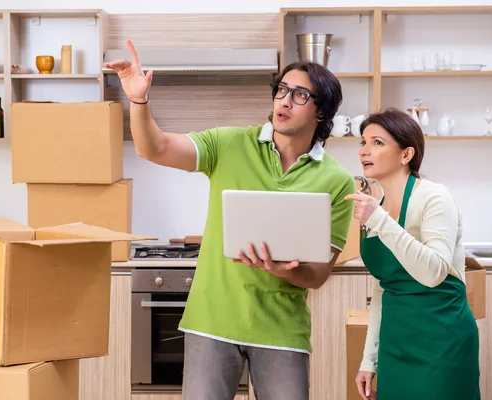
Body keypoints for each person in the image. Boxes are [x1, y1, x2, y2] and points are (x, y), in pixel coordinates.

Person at [104, 40, 356, 400]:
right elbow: (154, 148)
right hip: (212, 322)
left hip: (281, 329)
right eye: (282, 89)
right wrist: (138, 100)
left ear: (322, 112)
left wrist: (284, 270)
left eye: (300, 95)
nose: (284, 100)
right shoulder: (229, 144)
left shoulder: (336, 180)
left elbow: (318, 275)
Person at [346, 108, 480, 400]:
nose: (364, 151)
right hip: (396, 345)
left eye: (377, 143)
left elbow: (433, 272)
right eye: (363, 142)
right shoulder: (376, 205)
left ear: (406, 154)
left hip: (443, 342)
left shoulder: (434, 197)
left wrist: (379, 219)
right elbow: (382, 288)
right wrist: (369, 360)